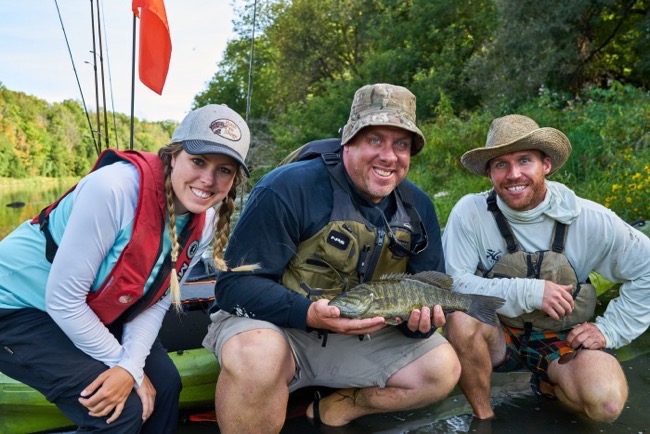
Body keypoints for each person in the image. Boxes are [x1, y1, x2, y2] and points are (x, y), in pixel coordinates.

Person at [202, 83, 461, 433]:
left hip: (357, 330)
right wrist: (308, 314)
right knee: (256, 356)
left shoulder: (419, 207)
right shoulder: (288, 188)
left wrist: (421, 326)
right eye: (375, 140)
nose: (389, 156)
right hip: (278, 326)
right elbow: (233, 286)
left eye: (401, 144)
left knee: (441, 368)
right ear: (348, 141)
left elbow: (428, 291)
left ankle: (339, 407)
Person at [0, 104, 253, 433]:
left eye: (225, 170)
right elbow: (63, 300)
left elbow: (157, 299)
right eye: (198, 161)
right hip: (17, 308)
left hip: (84, 309)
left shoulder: (203, 221)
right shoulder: (114, 189)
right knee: (118, 410)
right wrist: (126, 368)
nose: (208, 179)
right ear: (173, 155)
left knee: (165, 386)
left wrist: (130, 365)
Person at [442, 114, 650, 423]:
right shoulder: (469, 213)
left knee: (605, 404)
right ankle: (484, 419)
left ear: (546, 164)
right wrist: (530, 291)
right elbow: (453, 284)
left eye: (525, 160)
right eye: (501, 164)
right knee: (460, 318)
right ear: (489, 173)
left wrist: (610, 330)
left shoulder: (590, 219)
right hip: (497, 334)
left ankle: (552, 383)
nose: (514, 174)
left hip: (562, 336)